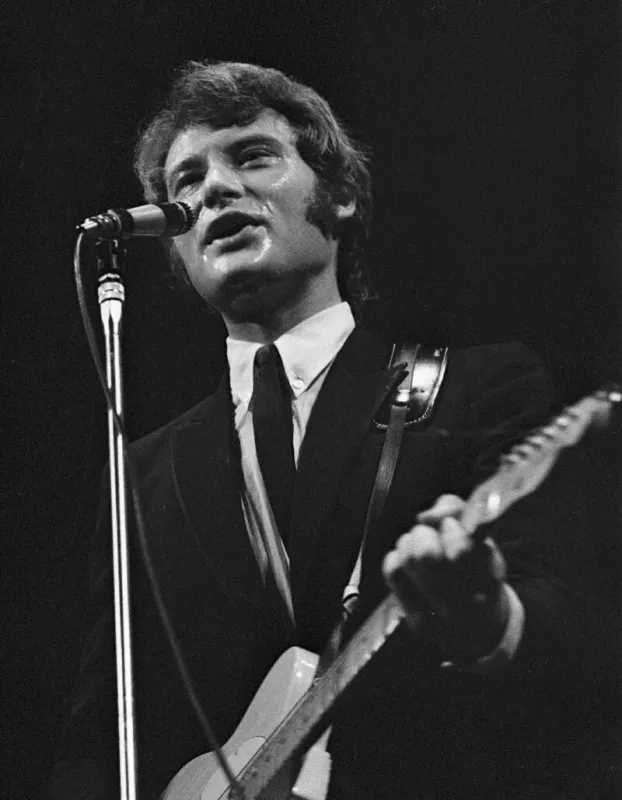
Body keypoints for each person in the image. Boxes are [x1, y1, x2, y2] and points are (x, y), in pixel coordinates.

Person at [47, 60, 617, 799]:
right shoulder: (143, 472)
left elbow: (585, 631)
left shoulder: (480, 387)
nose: (212, 188)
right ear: (176, 249)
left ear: (341, 196)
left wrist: (489, 615)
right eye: (185, 182)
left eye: (252, 156)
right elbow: (100, 733)